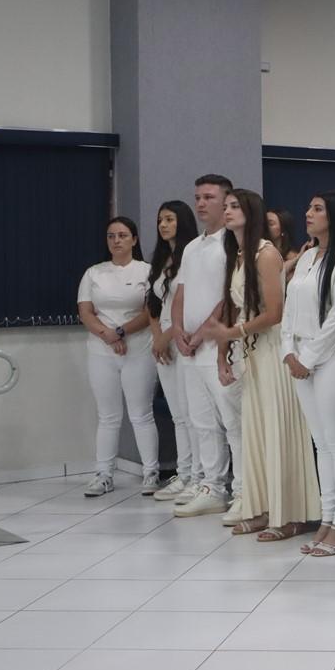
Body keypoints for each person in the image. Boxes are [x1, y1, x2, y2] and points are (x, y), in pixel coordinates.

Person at [200, 188, 320, 542]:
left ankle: (291, 514)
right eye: (226, 206)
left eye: (234, 206)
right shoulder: (239, 255)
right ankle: (264, 508)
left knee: (278, 432)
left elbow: (274, 313)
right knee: (256, 433)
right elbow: (235, 308)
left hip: (273, 350)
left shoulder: (266, 254)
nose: (227, 211)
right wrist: (223, 352)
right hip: (252, 352)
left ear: (251, 212)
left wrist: (232, 333)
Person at [281, 191, 335, 555]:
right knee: (322, 442)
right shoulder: (307, 256)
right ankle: (327, 518)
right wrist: (288, 350)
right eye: (309, 206)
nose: (308, 213)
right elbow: (289, 309)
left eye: (317, 208)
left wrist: (309, 357)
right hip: (301, 356)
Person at [171, 174, 243, 519]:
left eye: (209, 197)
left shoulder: (231, 243)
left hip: (218, 345)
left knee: (232, 421)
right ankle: (212, 486)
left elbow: (231, 294)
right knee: (201, 421)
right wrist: (178, 330)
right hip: (189, 347)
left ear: (226, 201)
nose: (201, 203)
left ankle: (243, 489)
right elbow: (180, 293)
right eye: (198, 197)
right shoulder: (192, 247)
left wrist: (203, 332)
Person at [77, 216, 159, 497]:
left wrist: (122, 332)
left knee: (141, 413)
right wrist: (108, 335)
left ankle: (151, 472)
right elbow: (86, 311)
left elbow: (150, 312)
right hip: (101, 350)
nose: (116, 241)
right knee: (108, 416)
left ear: (134, 239)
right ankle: (103, 474)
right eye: (111, 236)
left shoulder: (146, 271)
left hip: (139, 349)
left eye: (122, 235)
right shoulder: (94, 273)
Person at [147, 200, 201, 501]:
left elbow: (190, 302)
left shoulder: (191, 256)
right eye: (160, 220)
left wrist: (167, 336)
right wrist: (157, 337)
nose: (163, 225)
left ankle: (200, 476)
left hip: (185, 337)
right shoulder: (160, 260)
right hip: (163, 342)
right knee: (178, 414)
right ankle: (185, 472)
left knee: (193, 413)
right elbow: (153, 304)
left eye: (169, 219)